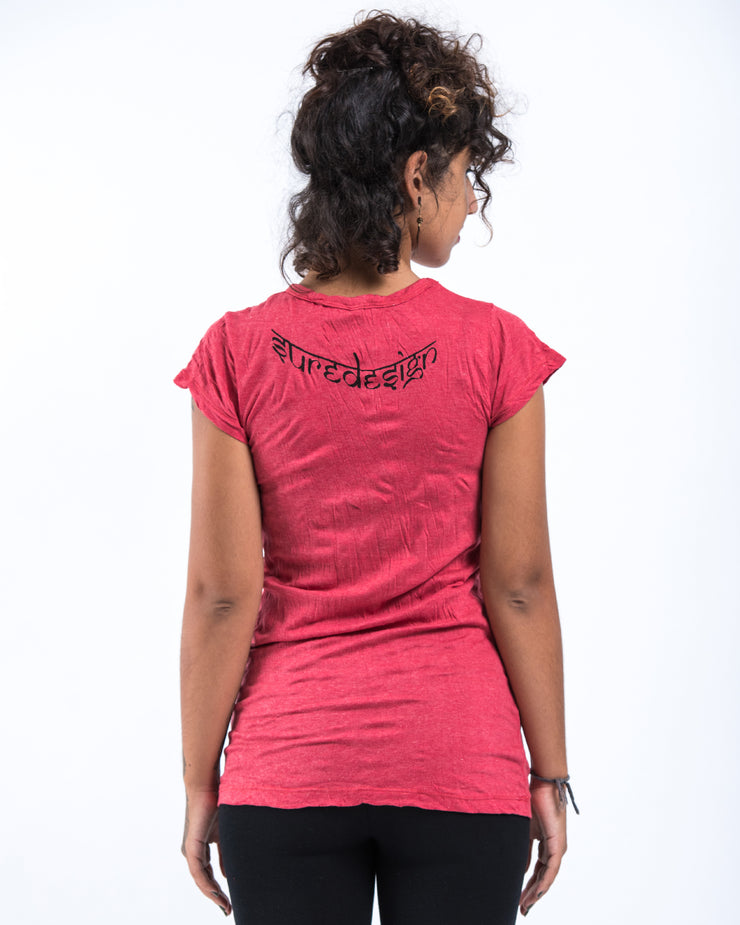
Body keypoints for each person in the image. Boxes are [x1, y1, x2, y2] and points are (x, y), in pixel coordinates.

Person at [174, 11, 575, 925]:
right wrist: (550, 773)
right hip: (461, 768)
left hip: (288, 772)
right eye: (465, 174)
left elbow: (221, 595)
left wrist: (202, 782)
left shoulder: (236, 353)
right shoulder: (495, 349)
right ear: (416, 175)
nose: (470, 203)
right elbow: (519, 585)